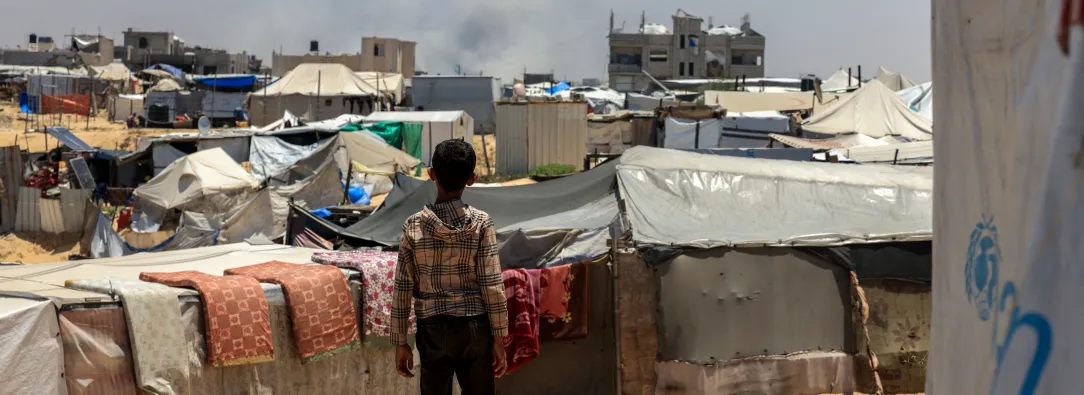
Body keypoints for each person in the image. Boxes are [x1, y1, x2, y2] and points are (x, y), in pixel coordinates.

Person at [392, 138, 509, 395]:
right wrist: (499, 337)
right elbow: (492, 284)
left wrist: (401, 341)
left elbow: (402, 288)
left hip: (432, 328)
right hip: (475, 327)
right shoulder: (482, 223)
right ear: (472, 178)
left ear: (431, 174)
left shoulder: (413, 226)